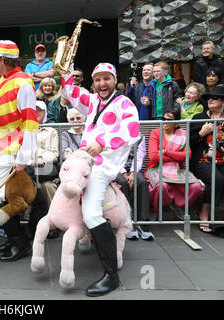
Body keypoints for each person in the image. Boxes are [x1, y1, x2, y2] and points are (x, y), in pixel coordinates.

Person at [61, 62, 140, 296]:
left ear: (115, 80)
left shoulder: (124, 103)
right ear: (93, 82)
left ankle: (111, 275)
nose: (102, 83)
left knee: (91, 214)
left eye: (107, 78)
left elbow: (132, 131)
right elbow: (68, 91)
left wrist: (103, 143)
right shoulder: (93, 100)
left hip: (102, 166)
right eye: (97, 79)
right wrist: (67, 66)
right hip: (85, 162)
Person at [0, 40, 38, 262]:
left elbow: (30, 121)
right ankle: (16, 239)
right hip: (0, 148)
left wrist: (23, 156)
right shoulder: (6, 79)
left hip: (9, 150)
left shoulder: (22, 82)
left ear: (3, 59)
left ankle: (19, 241)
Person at [145, 108, 204, 214]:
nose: (165, 122)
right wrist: (175, 157)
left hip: (178, 169)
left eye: (169, 120)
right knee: (162, 186)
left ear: (176, 123)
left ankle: (179, 206)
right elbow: (153, 157)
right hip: (156, 168)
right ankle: (156, 209)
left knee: (196, 186)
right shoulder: (156, 133)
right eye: (164, 119)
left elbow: (187, 155)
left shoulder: (183, 135)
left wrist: (166, 152)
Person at [190, 85, 224, 234]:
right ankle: (204, 215)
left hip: (222, 161)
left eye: (214, 97)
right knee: (216, 178)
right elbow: (188, 142)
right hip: (203, 161)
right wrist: (201, 134)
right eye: (208, 97)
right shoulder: (200, 117)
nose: (210, 100)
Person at [114, 137, 154, 240]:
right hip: (117, 168)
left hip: (134, 168)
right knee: (122, 182)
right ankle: (128, 223)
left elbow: (140, 157)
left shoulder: (139, 137)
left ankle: (143, 224)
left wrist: (132, 172)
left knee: (142, 182)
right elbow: (114, 157)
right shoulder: (114, 134)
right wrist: (123, 173)